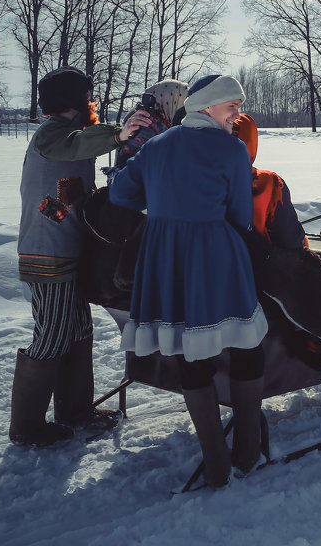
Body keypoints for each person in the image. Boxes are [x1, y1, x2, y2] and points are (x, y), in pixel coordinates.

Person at [109, 74, 267, 487]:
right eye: (232, 105)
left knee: (190, 353)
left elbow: (121, 193)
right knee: (247, 348)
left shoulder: (158, 145)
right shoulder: (231, 150)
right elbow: (240, 215)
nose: (237, 113)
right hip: (217, 257)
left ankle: (216, 463)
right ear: (207, 106)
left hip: (165, 258)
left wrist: (162, 198)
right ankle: (247, 452)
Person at [12, 66, 153, 447]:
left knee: (78, 331)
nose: (93, 104)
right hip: (46, 256)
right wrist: (117, 134)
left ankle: (76, 412)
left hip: (68, 254)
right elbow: (76, 144)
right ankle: (25, 426)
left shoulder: (71, 137)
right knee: (53, 333)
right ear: (74, 102)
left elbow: (74, 184)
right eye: (88, 99)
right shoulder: (52, 136)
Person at [232, 115, 321, 369]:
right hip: (259, 280)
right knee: (318, 274)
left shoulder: (193, 186)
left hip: (221, 275)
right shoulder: (267, 184)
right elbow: (292, 240)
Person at [111, 78, 188, 171]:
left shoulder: (154, 120)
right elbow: (130, 168)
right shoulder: (147, 124)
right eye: (182, 103)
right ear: (171, 100)